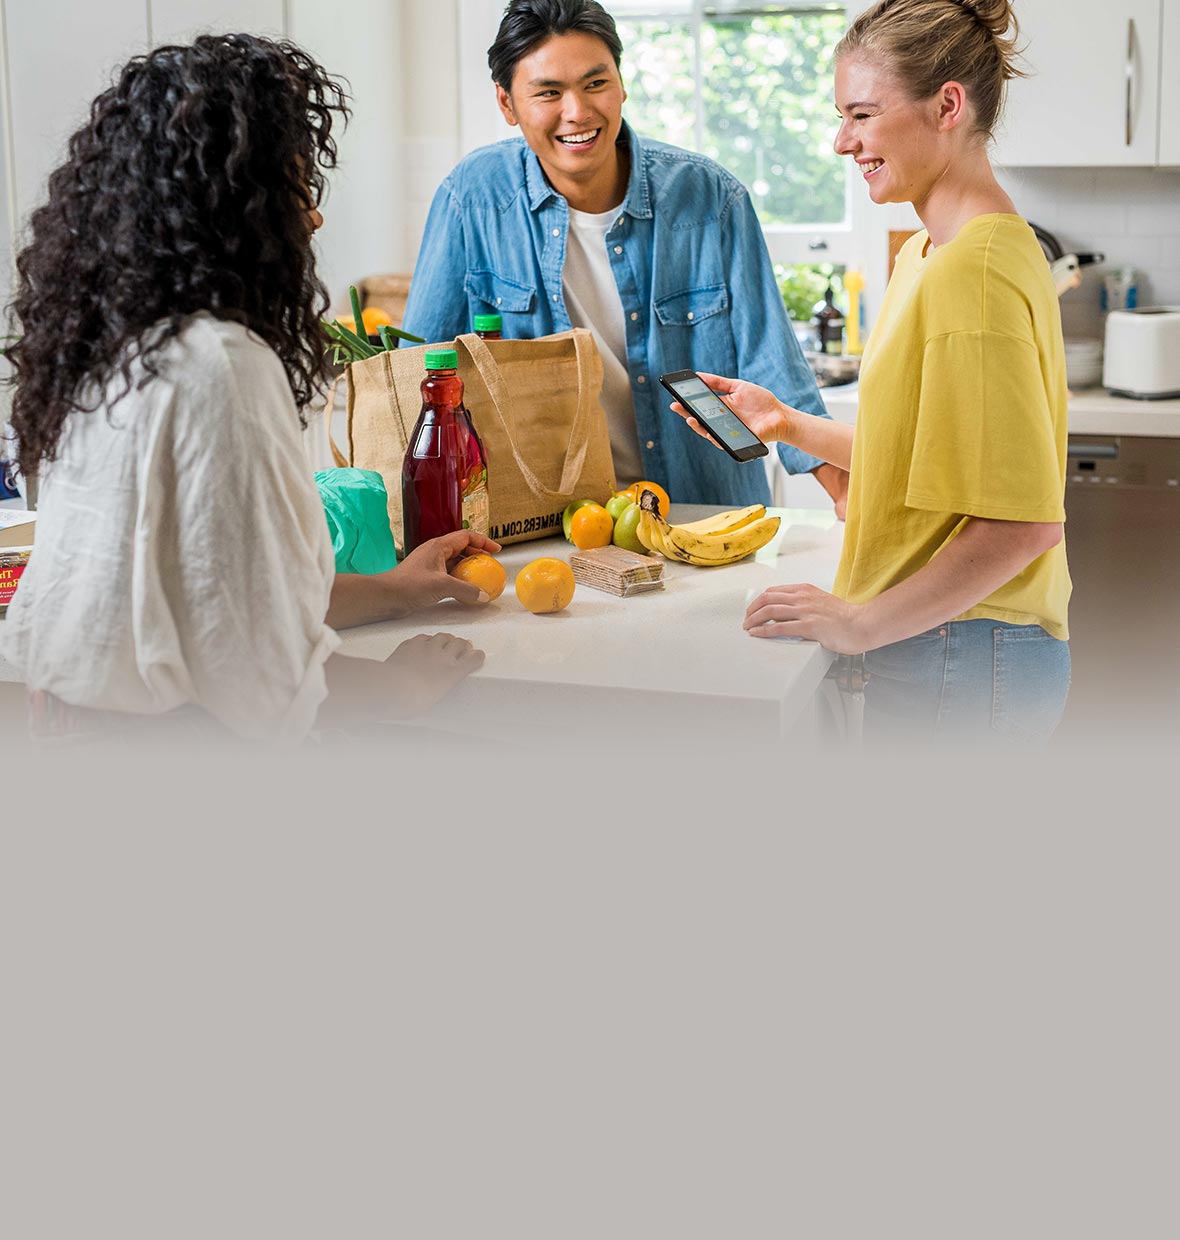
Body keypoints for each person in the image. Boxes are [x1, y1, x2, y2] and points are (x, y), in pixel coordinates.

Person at [1, 34, 498, 747]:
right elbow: (255, 680)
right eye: (296, 185)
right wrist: (398, 686)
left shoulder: (113, 348)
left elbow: (221, 597)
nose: (313, 215)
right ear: (238, 204)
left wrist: (397, 589)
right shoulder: (220, 364)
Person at [675, 0, 1071, 746]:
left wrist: (859, 622)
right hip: (951, 643)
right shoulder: (934, 255)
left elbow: (1022, 524)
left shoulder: (973, 273)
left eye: (861, 115)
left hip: (969, 648)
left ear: (947, 105)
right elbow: (937, 458)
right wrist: (788, 424)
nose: (840, 141)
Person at [402, 0, 849, 514]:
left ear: (621, 83)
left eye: (596, 84)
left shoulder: (708, 198)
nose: (578, 112)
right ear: (507, 104)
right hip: (547, 520)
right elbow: (420, 369)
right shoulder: (472, 199)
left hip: (702, 509)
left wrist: (841, 488)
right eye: (549, 92)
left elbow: (774, 365)